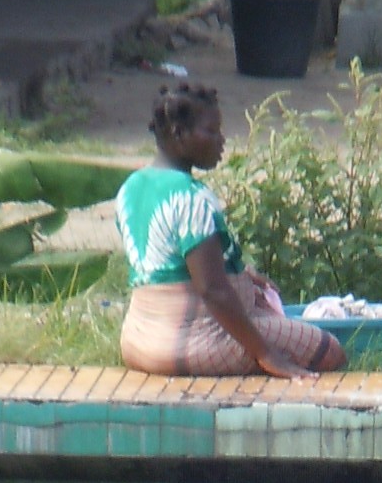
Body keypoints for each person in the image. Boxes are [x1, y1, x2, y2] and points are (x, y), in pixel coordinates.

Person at [117, 83, 347, 379]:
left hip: (137, 340)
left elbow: (169, 263)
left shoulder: (130, 188)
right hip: (191, 345)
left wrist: (245, 277)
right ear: (178, 134)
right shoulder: (191, 197)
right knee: (329, 350)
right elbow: (212, 291)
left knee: (266, 314)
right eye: (211, 132)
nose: (222, 141)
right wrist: (268, 355)